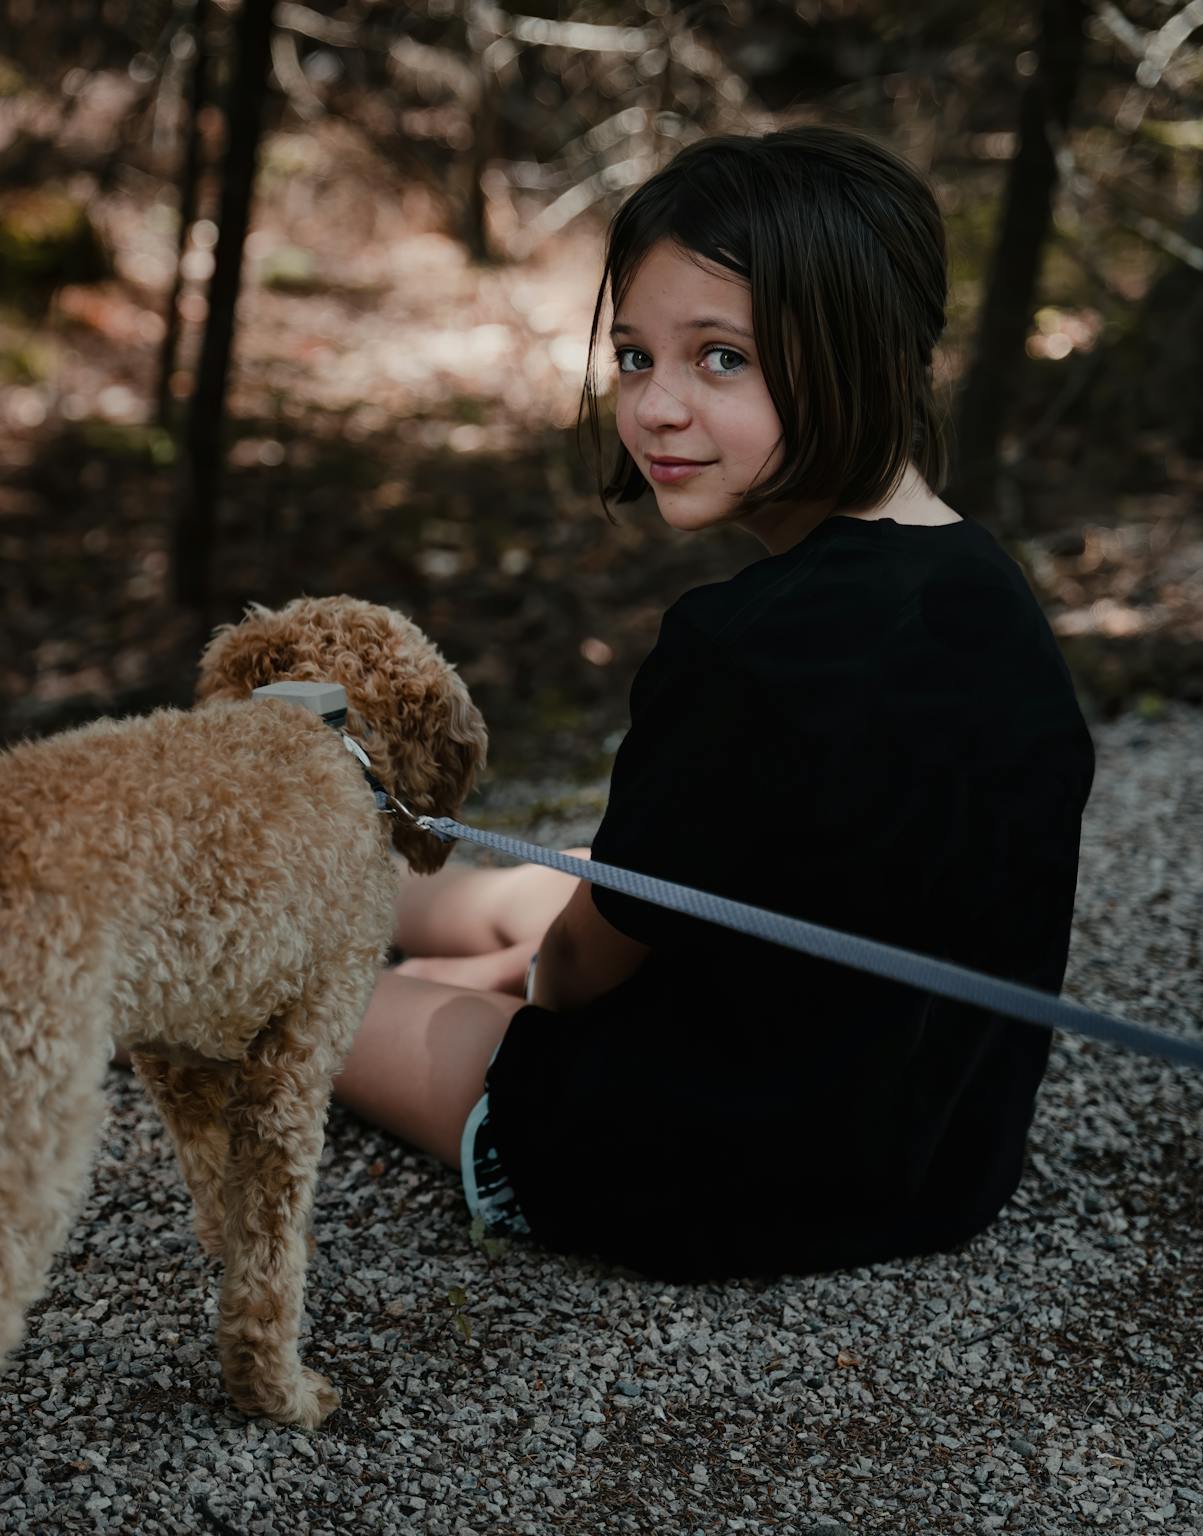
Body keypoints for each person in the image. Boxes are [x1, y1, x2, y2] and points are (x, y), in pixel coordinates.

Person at [331, 125, 1095, 1280]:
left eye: (720, 359)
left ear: (862, 352)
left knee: (306, 1001)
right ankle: (374, 891)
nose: (657, 408)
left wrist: (512, 1003)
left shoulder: (741, 651)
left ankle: (271, 931)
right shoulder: (989, 590)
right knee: (558, 879)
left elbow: (581, 975)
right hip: (940, 1166)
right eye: (635, 356)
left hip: (697, 1174)